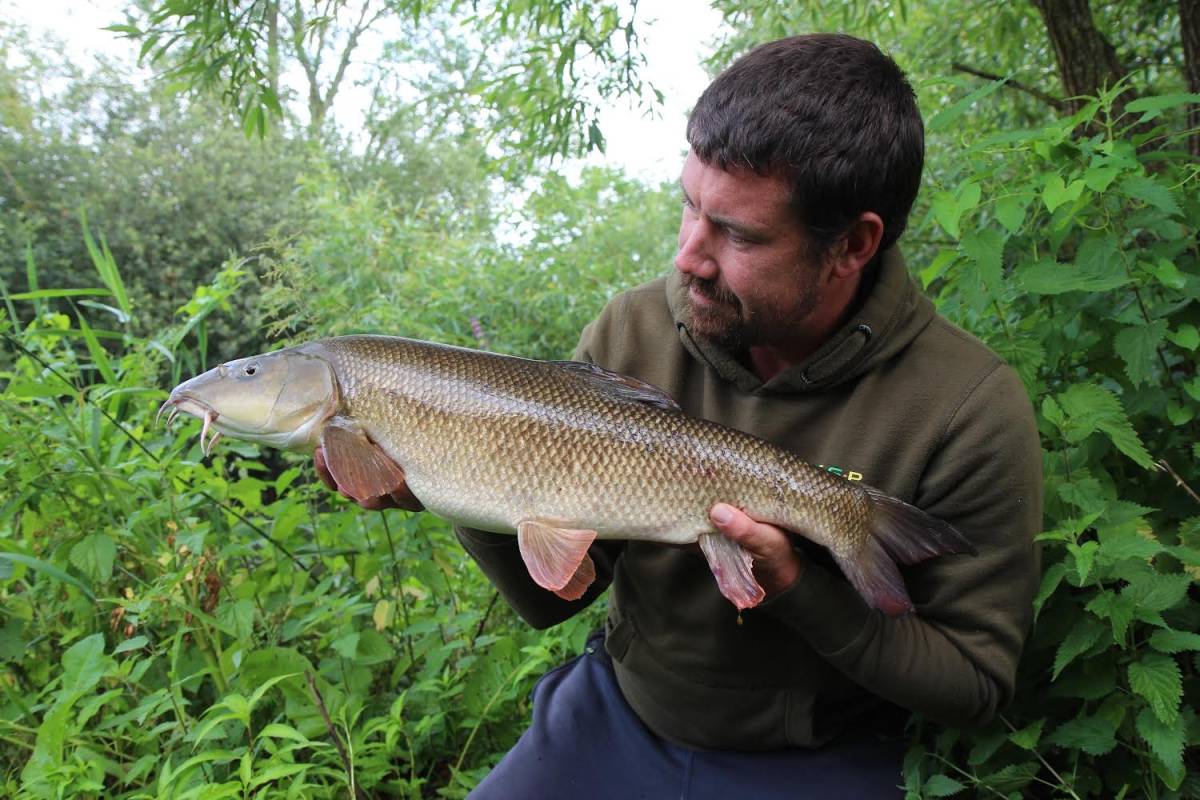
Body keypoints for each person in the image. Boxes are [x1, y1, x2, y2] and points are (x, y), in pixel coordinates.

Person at [317, 32, 1042, 799]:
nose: (690, 256)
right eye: (690, 206)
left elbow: (973, 686)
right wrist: (456, 473)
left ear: (852, 245)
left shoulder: (967, 408)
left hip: (827, 758)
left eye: (739, 233)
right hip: (620, 716)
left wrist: (795, 581)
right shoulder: (632, 333)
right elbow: (552, 597)